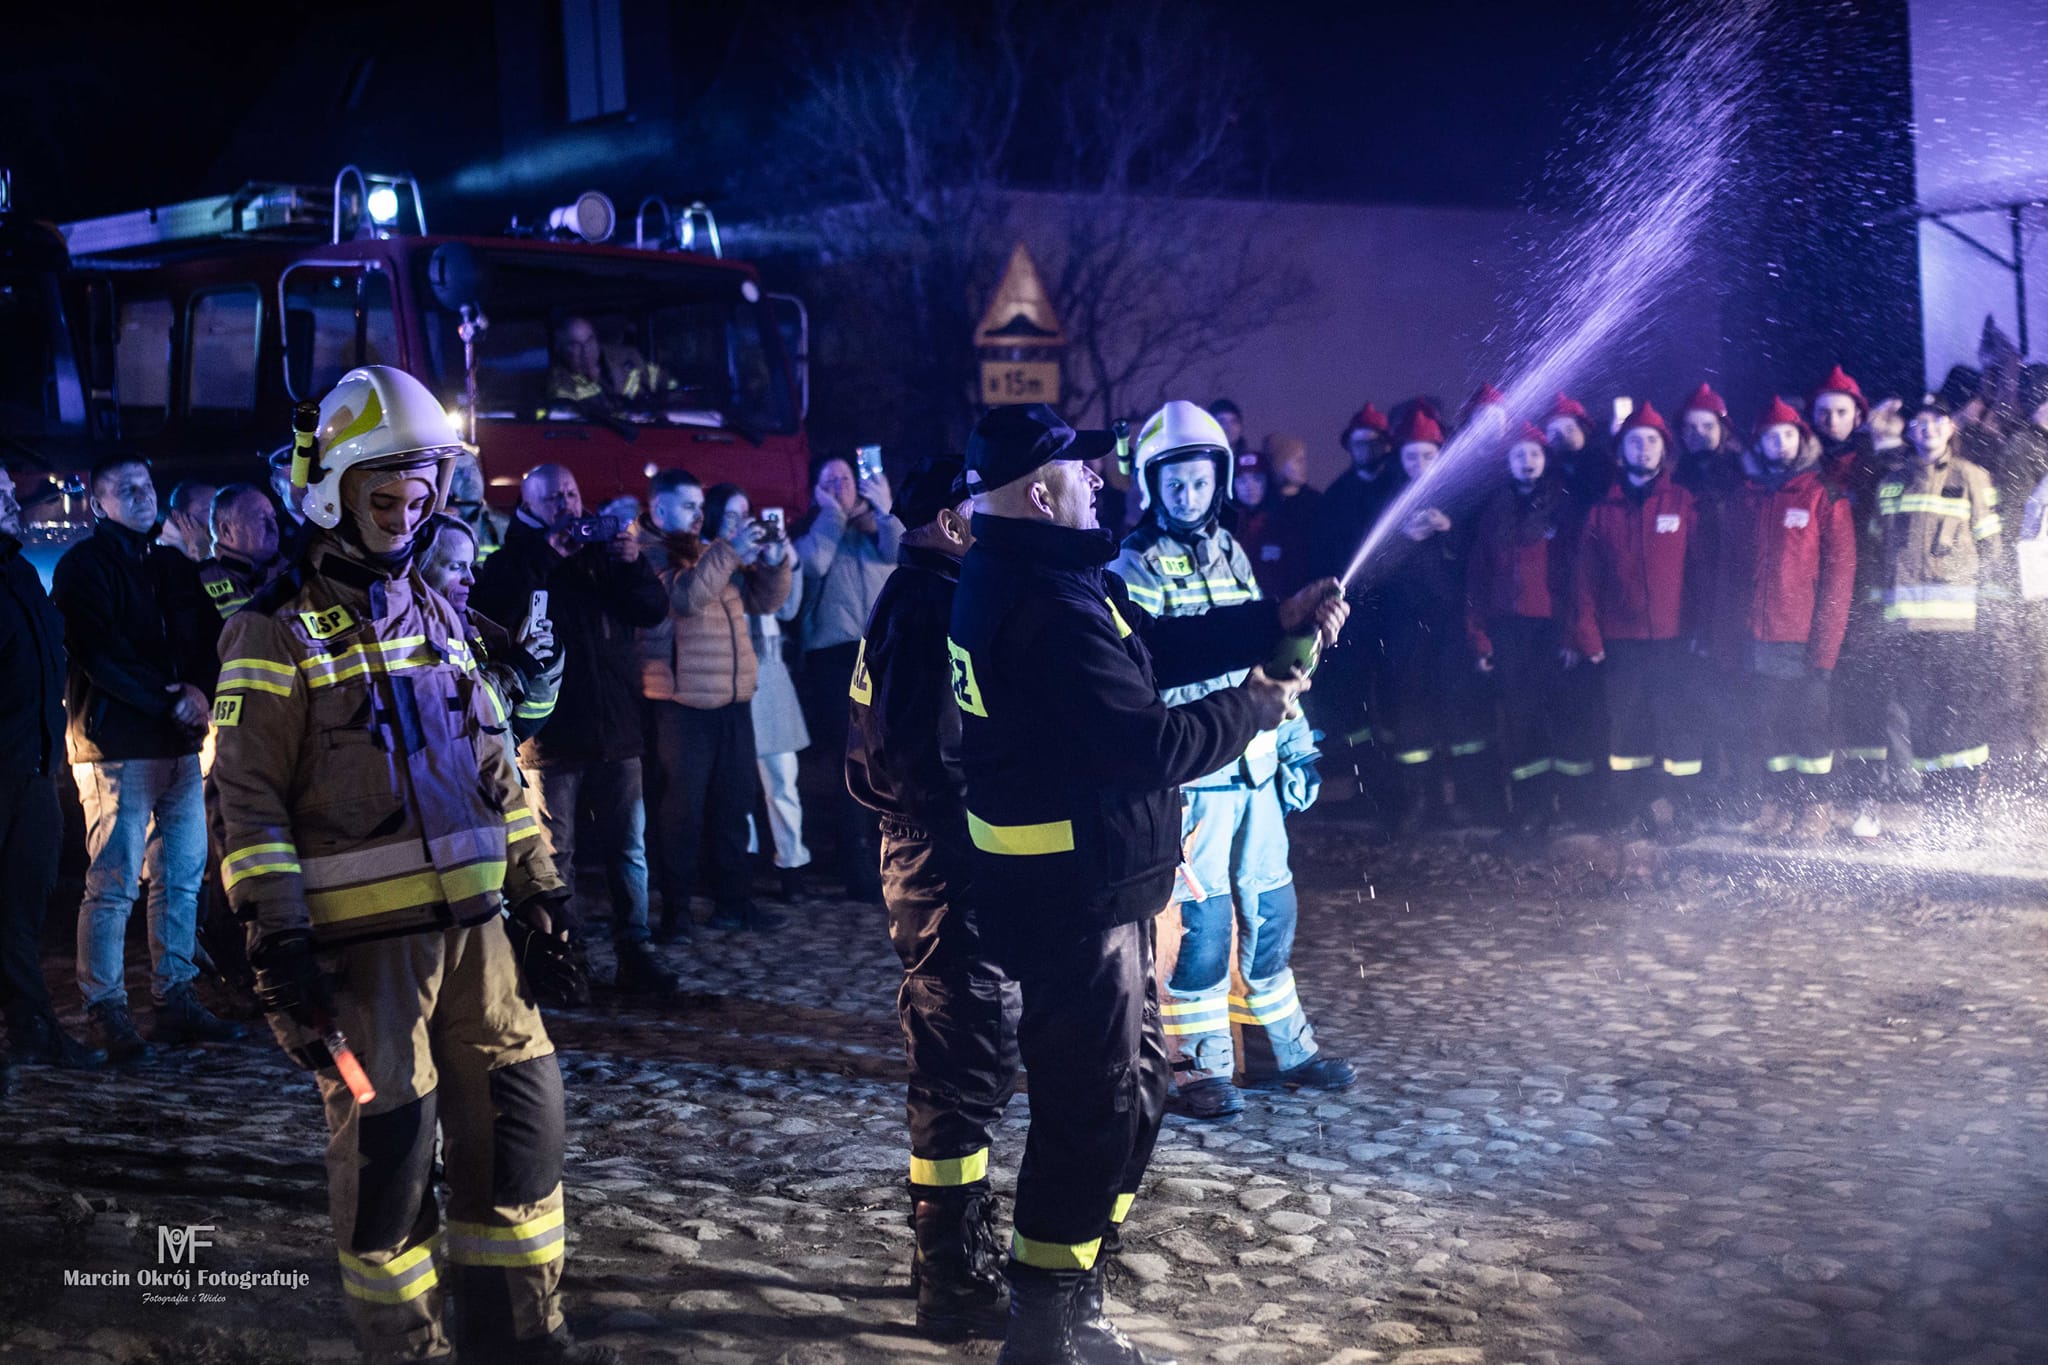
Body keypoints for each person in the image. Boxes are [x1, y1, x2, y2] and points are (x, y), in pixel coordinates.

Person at [211, 365, 618, 1365]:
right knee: (390, 1157)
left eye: (419, 495)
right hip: (361, 964)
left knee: (521, 1127)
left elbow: (497, 776)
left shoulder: (439, 617)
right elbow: (248, 802)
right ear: (333, 494)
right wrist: (276, 940)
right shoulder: (271, 632)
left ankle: (522, 1336)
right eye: (383, 496)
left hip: (480, 942)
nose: (404, 514)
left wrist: (545, 897)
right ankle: (409, 1348)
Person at [951, 402, 1341, 1363]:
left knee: (1133, 1093)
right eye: (1082, 472)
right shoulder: (1044, 603)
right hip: (1073, 900)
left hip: (1097, 888)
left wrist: (1268, 622)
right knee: (1091, 1111)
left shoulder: (1049, 576)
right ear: (1041, 492)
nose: (1101, 481)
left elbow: (1154, 648)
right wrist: (1257, 701)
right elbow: (1148, 744)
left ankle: (1072, 1281)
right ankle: (1046, 1323)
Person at [1116, 401, 1354, 1124]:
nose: (1187, 496)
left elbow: (1270, 657)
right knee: (1202, 922)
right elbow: (1150, 668)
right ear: (1151, 487)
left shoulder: (1231, 554)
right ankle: (1196, 1064)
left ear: (1217, 482)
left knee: (1269, 905)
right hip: (1194, 774)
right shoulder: (1133, 567)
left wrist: (1295, 743)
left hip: (1252, 769)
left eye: (1199, 482)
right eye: (1174, 484)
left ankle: (1284, 1043)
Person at [845, 454, 1019, 1340]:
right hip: (942, 860)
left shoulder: (912, 597)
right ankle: (948, 1272)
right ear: (952, 523)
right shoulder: (928, 608)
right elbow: (929, 756)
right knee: (958, 1059)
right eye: (983, 509)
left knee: (966, 1052)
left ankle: (952, 1251)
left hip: (929, 855)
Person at [52, 455, 241, 1062]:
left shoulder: (168, 566)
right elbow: (97, 654)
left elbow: (208, 637)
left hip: (174, 744)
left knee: (180, 879)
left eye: (147, 486)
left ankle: (175, 997)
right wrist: (175, 701)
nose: (142, 497)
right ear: (97, 501)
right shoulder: (84, 566)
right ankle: (105, 1008)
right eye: (126, 490)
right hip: (116, 747)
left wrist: (199, 693)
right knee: (112, 884)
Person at [471, 463, 674, 996]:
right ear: (528, 505)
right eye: (553, 497)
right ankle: (564, 955)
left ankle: (636, 951)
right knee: (552, 852)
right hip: (552, 733)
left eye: (572, 493)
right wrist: (549, 554)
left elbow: (653, 610)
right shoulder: (512, 557)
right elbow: (496, 608)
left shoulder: (601, 553)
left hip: (616, 726)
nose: (567, 505)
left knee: (628, 849)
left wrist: (631, 564)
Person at [636, 470, 792, 935]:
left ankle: (733, 902)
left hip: (731, 698)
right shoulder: (647, 553)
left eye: (699, 505)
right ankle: (677, 910)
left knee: (734, 803)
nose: (698, 514)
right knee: (680, 811)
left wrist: (775, 559)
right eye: (687, 506)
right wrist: (728, 551)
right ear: (660, 509)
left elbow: (765, 601)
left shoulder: (706, 551)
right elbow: (684, 599)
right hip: (681, 702)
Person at [1708, 398, 1855, 843]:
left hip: (1804, 636)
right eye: (1772, 436)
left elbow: (1839, 576)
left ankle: (1815, 807)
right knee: (1764, 725)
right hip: (1757, 635)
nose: (1781, 443)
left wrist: (1826, 644)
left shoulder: (1824, 495)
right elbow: (1728, 574)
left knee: (1810, 727)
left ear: (1802, 439)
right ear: (1759, 443)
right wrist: (1726, 637)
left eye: (1789, 434)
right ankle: (1778, 804)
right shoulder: (1745, 499)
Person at [0, 466, 106, 1073]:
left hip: (33, 773)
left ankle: (33, 1030)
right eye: (3, 496)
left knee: (21, 911)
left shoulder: (16, 571)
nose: (16, 501)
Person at [1865, 395, 2004, 839]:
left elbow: (1992, 551)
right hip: (1905, 626)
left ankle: (1965, 807)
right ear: (1909, 431)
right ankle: (1941, 813)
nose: (1927, 429)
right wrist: (1874, 613)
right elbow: (1875, 552)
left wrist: (1994, 615)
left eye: (1937, 421)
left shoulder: (1972, 478)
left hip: (1958, 624)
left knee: (1959, 717)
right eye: (1920, 422)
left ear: (1950, 429)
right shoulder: (1891, 483)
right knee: (1921, 719)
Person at [1569, 401, 1707, 840]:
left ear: (1664, 451)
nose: (1643, 449)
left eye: (1652, 441)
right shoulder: (1601, 512)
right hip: (1621, 640)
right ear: (1620, 452)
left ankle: (1679, 809)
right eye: (1635, 441)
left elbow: (1703, 570)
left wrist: (1701, 630)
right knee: (1625, 725)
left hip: (1675, 640)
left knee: (1678, 723)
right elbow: (1583, 581)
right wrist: (1588, 636)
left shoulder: (1686, 503)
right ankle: (1629, 808)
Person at [1366, 407, 1491, 832]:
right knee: (1410, 707)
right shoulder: (1387, 499)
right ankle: (1416, 800)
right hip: (1404, 626)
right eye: (1410, 456)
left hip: (1452, 623)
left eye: (1427, 455)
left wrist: (1448, 530)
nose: (1418, 464)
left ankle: (1467, 799)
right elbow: (1371, 567)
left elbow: (1483, 555)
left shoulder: (1462, 496)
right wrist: (1403, 539)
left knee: (1459, 708)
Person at [1466, 423, 1585, 845]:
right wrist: (1480, 638)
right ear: (1508, 463)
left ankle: (1567, 808)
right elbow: (1477, 579)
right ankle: (1530, 809)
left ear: (1545, 458)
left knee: (1562, 716)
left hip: (1553, 627)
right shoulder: (1495, 510)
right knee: (1520, 720)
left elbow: (1577, 574)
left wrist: (1574, 635)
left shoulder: (1564, 506)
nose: (1527, 462)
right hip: (1509, 629)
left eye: (1534, 454)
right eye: (1518, 456)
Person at [794, 451, 902, 901]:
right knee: (852, 763)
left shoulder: (875, 530)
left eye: (845, 478)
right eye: (829, 480)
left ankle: (890, 857)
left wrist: (885, 509)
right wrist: (831, 516)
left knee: (886, 761)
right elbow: (813, 564)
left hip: (879, 653)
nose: (840, 485)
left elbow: (899, 552)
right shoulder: (814, 531)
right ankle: (854, 864)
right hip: (833, 659)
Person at [700, 485, 815, 902]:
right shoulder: (710, 556)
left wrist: (784, 560)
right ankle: (741, 866)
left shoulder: (759, 560)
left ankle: (792, 865)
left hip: (768, 674)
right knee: (737, 786)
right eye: (731, 515)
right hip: (730, 677)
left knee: (783, 780)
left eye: (746, 513)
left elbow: (787, 609)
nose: (743, 522)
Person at [417, 514, 563, 756]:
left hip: (493, 781)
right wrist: (516, 670)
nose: (470, 579)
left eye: (470, 566)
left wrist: (544, 664)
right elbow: (463, 720)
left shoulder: (474, 626)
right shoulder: (412, 634)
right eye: (456, 567)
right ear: (421, 568)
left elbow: (516, 726)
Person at [1234, 435, 1320, 602]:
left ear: (1268, 482)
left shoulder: (1284, 524)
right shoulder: (1224, 529)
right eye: (1242, 480)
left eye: (1257, 479)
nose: (1249, 487)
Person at [196, 483, 285, 622]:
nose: (272, 526)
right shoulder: (199, 580)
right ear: (226, 530)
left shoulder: (292, 571)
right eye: (261, 519)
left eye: (273, 517)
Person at [547, 314, 670, 409]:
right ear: (561, 350)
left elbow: (662, 381)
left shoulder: (627, 357)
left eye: (590, 340)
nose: (586, 350)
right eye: (575, 345)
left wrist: (671, 394)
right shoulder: (561, 386)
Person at [1544, 392, 1612, 505]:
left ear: (1584, 430)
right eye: (1555, 433)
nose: (1563, 436)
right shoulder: (1546, 472)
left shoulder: (1604, 466)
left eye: (1570, 429)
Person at [447, 450, 509, 562]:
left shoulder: (503, 525)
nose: (469, 478)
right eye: (458, 472)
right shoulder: (436, 531)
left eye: (473, 469)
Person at [158, 480, 216, 562]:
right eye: (207, 509)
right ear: (176, 515)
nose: (216, 515)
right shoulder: (163, 553)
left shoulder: (216, 542)